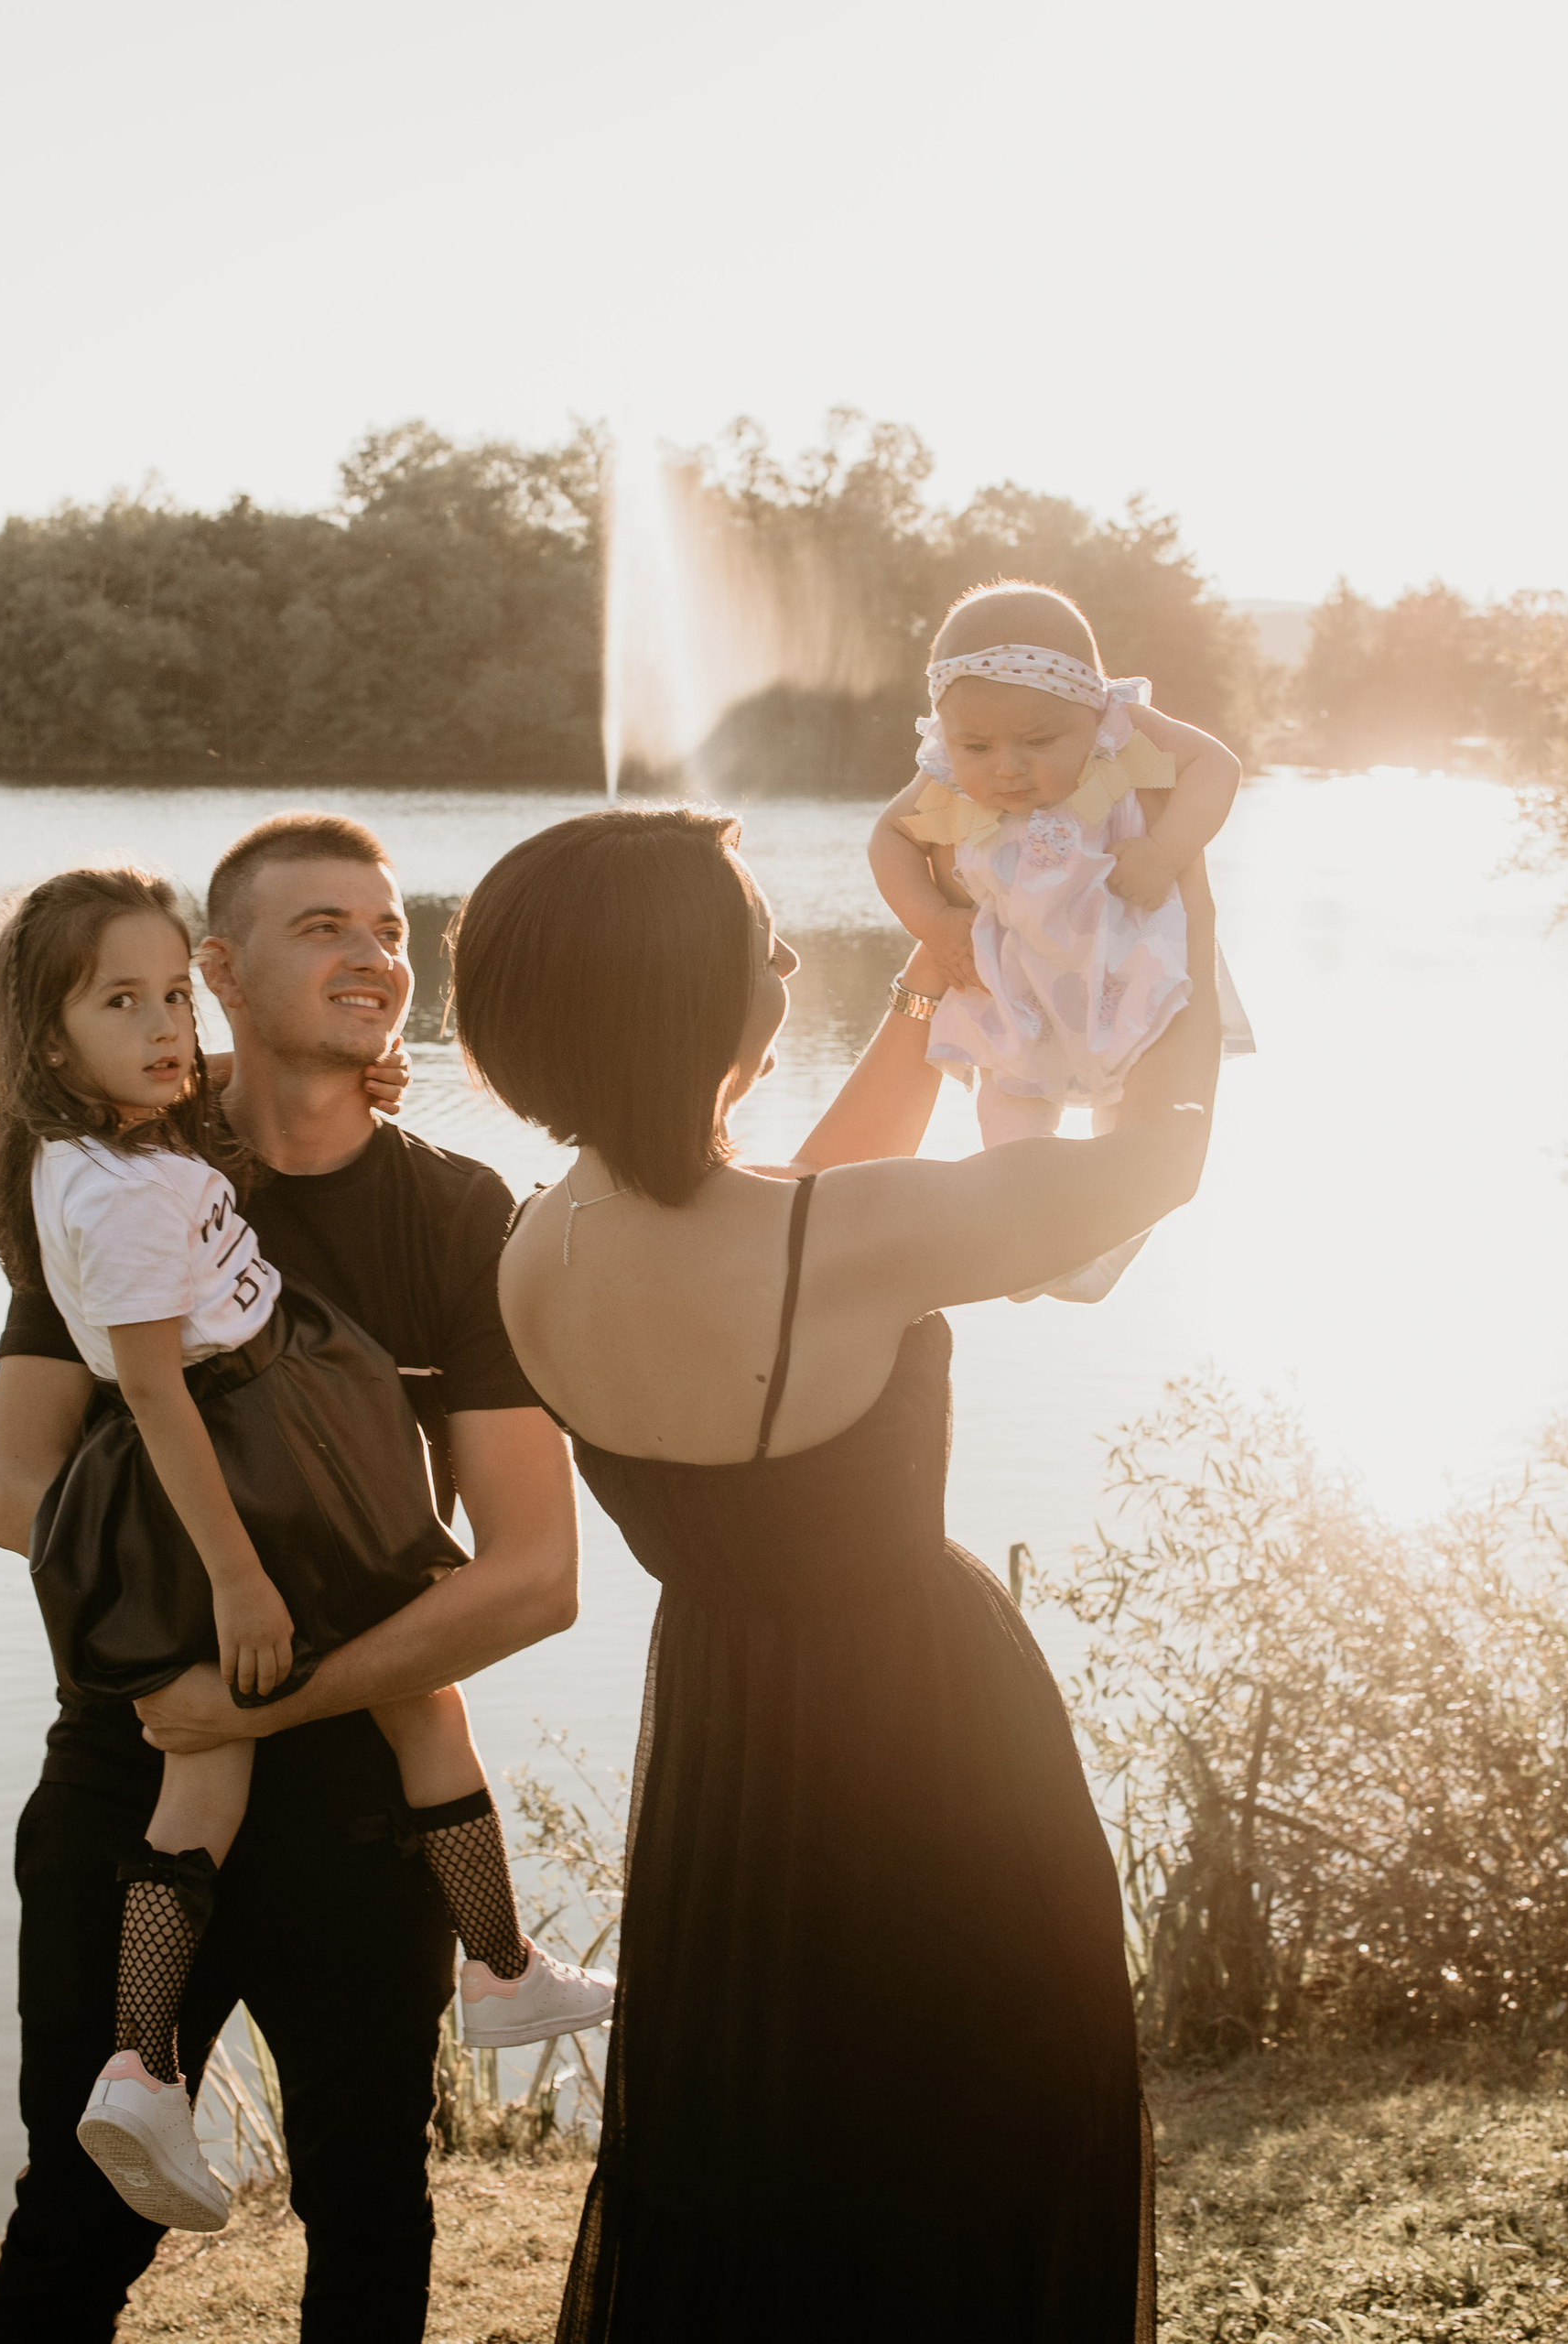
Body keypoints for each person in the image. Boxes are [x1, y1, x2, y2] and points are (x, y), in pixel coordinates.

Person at [448, 803, 1222, 2341]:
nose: (788, 947)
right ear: (678, 993)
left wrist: (928, 991)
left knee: (767, 2147)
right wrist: (1169, 887)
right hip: (929, 1746)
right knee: (977, 2135)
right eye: (759, 935)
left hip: (730, 1755)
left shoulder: (537, 1247)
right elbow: (1162, 1162)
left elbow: (789, 1215)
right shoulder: (835, 1243)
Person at [0, 813, 581, 2343]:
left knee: (373, 2199)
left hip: (359, 1801)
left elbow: (534, 1578)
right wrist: (174, 1676)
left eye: (389, 928)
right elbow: (15, 1493)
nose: (375, 953)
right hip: (135, 1765)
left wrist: (258, 1701)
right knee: (77, 2216)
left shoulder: (459, 1214)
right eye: (326, 926)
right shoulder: (133, 1174)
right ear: (222, 971)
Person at [868, 580, 1250, 1300]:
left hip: (1128, 964)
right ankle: (1027, 1236)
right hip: (1021, 983)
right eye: (976, 743)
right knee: (1007, 1101)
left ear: (1093, 711)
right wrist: (934, 921)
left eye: (1039, 742)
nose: (1006, 765)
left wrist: (1166, 849)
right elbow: (890, 837)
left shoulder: (1125, 734)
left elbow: (1216, 767)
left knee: (1141, 1131)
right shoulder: (945, 776)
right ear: (946, 731)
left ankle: (1105, 1244)